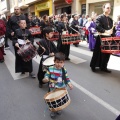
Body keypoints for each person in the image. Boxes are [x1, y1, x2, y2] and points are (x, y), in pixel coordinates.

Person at [42, 52, 73, 119]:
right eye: (57, 62)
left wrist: (69, 83)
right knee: (53, 101)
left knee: (59, 100)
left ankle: (58, 109)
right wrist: (46, 79)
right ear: (54, 61)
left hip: (61, 88)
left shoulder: (63, 70)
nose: (59, 64)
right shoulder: (50, 69)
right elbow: (46, 76)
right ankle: (53, 111)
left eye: (61, 62)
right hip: (53, 88)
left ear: (64, 62)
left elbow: (66, 78)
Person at [90, 3, 115, 73]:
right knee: (97, 52)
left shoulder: (110, 19)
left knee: (107, 54)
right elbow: (98, 27)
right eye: (107, 8)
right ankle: (93, 65)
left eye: (110, 8)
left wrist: (113, 35)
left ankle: (104, 67)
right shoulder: (99, 17)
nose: (109, 9)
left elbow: (113, 30)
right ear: (103, 8)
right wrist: (106, 31)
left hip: (108, 39)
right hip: (101, 37)